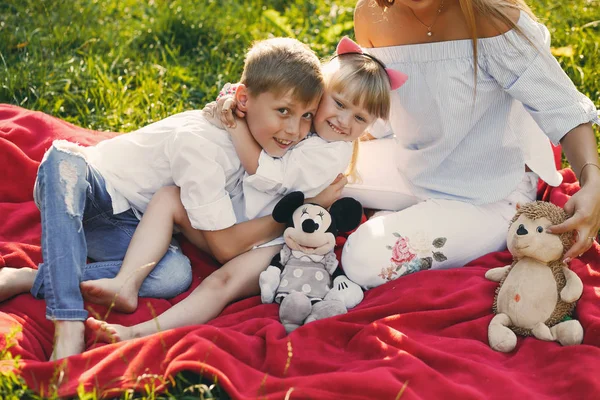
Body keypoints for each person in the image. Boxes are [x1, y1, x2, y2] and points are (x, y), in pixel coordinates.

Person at [0, 37, 324, 360]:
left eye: (307, 115)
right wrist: (291, 214)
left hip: (130, 224)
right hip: (92, 189)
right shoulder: (202, 147)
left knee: (173, 275)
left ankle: (30, 278)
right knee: (64, 164)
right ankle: (67, 319)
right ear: (243, 99)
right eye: (283, 111)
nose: (295, 131)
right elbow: (224, 247)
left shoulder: (260, 140)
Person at [84, 37, 405, 344]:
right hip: (242, 219)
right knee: (168, 197)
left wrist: (235, 127)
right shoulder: (309, 127)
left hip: (278, 239)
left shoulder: (329, 152)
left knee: (220, 284)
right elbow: (263, 114)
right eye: (339, 103)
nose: (344, 120)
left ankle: (138, 333)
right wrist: (234, 104)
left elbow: (268, 172)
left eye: (359, 118)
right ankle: (127, 282)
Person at [340, 0, 600, 289]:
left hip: (491, 195)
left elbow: (564, 108)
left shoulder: (492, 17)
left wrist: (592, 181)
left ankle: (406, 219)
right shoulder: (371, 15)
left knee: (362, 259)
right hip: (413, 164)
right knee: (306, 168)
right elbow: (383, 100)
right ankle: (406, 216)